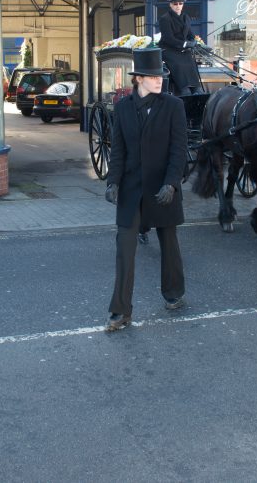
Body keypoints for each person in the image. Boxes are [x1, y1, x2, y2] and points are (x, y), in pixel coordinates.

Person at [104, 46, 188, 332]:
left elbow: (179, 151)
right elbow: (118, 151)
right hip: (131, 190)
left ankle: (174, 292)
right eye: (153, 76)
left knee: (169, 243)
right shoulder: (123, 108)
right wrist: (112, 181)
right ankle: (120, 311)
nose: (159, 80)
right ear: (138, 78)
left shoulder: (173, 106)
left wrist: (172, 183)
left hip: (163, 187)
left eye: (161, 76)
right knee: (124, 249)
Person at [157, 0, 203, 96]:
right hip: (168, 49)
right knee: (178, 63)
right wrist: (185, 44)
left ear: (183, 4)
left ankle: (196, 88)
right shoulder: (165, 19)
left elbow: (190, 33)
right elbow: (168, 38)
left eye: (180, 3)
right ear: (170, 5)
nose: (178, 6)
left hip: (182, 49)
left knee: (190, 60)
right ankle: (184, 89)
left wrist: (194, 41)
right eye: (175, 4)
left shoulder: (186, 17)